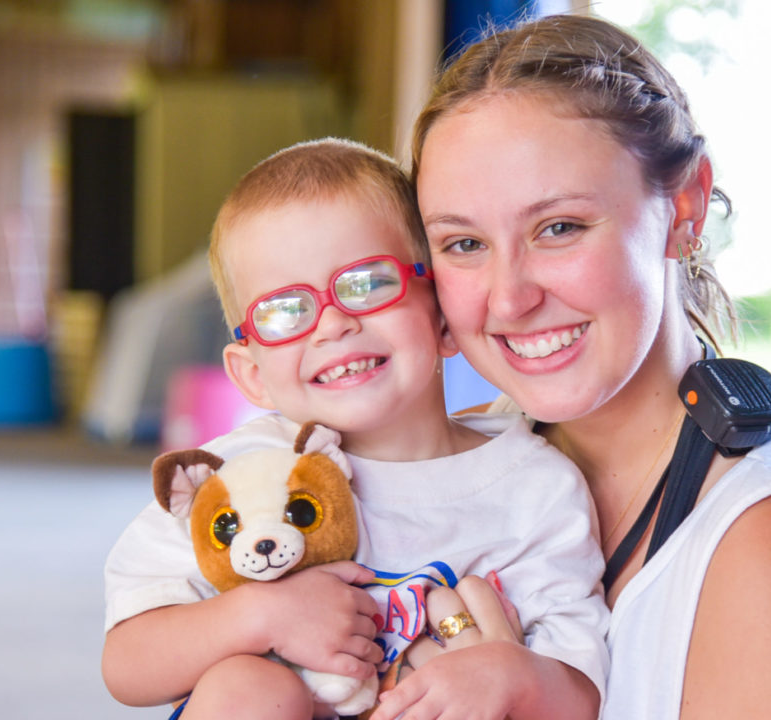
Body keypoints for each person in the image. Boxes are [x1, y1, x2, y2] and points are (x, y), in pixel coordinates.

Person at [375, 11, 771, 720]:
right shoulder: (458, 467)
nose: (510, 298)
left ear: (686, 207)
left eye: (560, 228)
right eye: (463, 244)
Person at [102, 137, 609, 720]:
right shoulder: (240, 477)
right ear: (251, 375)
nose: (333, 324)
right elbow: (126, 666)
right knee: (247, 686)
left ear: (443, 316)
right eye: (284, 311)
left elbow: (582, 685)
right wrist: (259, 615)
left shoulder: (535, 487)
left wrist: (514, 676)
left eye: (368, 282)